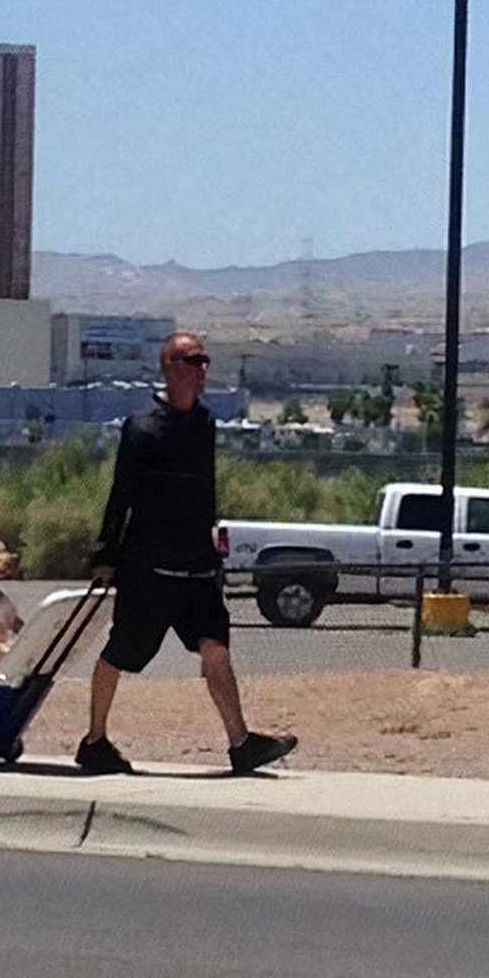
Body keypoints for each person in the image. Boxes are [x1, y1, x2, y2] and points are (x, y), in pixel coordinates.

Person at [76, 329, 297, 776]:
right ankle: (95, 740)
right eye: (194, 361)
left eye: (204, 360)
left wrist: (210, 533)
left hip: (196, 567)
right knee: (122, 653)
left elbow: (204, 491)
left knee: (215, 647)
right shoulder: (140, 430)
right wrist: (105, 555)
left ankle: (240, 743)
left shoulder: (206, 425)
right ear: (171, 367)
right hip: (148, 570)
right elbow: (122, 495)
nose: (203, 370)